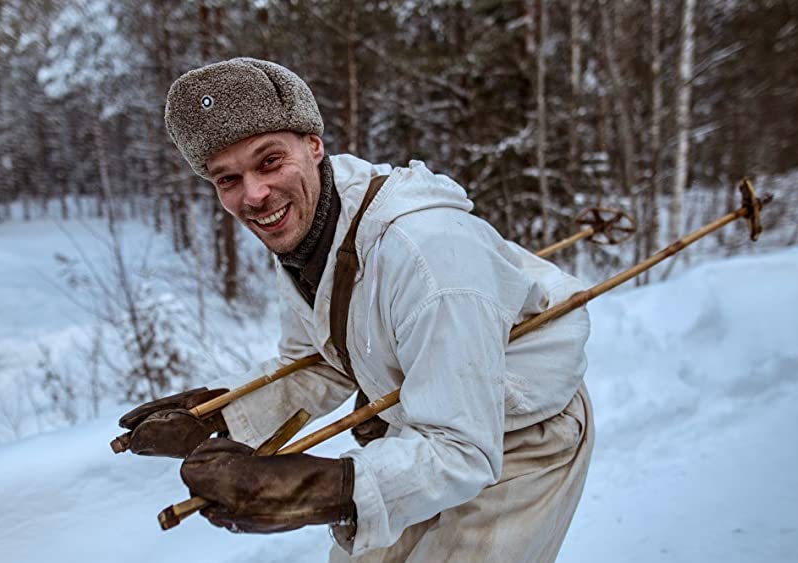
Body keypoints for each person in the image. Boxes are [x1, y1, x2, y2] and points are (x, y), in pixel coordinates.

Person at [118, 57, 594, 562]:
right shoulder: (310, 238)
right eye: (227, 179)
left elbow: (461, 449)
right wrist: (224, 420)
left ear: (314, 145)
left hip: (514, 438)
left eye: (269, 161)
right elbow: (324, 359)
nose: (254, 195)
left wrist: (322, 489)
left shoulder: (426, 255)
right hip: (418, 428)